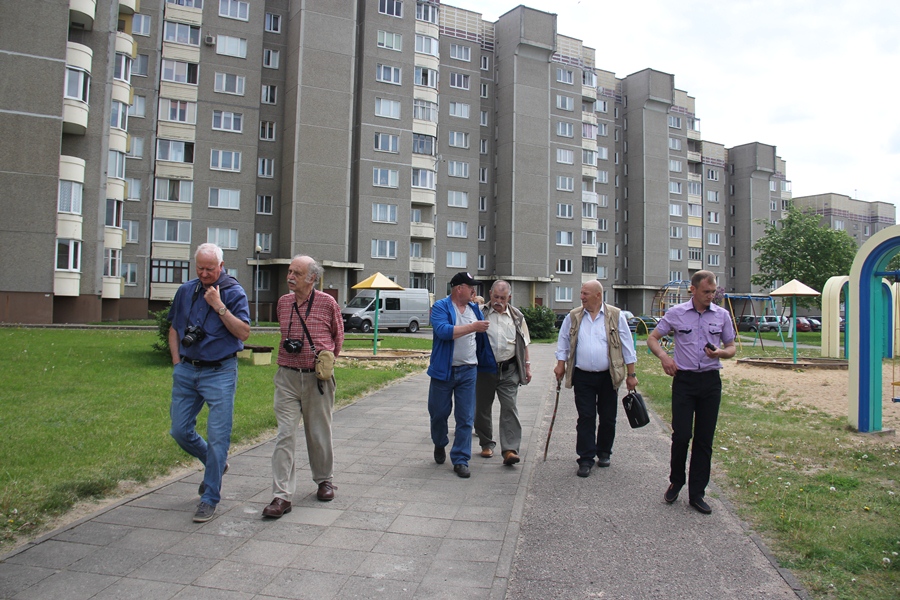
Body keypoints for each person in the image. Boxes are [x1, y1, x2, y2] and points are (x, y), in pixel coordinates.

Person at [168, 243, 251, 523]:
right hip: (187, 371)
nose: (204, 274)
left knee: (218, 437)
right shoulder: (185, 291)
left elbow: (244, 332)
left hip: (220, 371)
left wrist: (218, 306)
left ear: (222, 266)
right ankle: (215, 465)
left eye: (210, 269)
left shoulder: (233, 292)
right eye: (200, 268)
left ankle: (209, 497)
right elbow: (174, 328)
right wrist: (177, 362)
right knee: (179, 430)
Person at [647, 270, 735, 514]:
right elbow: (653, 338)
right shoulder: (676, 314)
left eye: (713, 292)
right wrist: (664, 357)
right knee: (682, 435)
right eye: (706, 292)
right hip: (684, 381)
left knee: (704, 440)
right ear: (693, 290)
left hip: (710, 381)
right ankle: (676, 481)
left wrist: (720, 353)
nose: (711, 296)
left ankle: (697, 493)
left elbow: (732, 347)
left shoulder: (722, 315)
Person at [262, 256, 344, 518]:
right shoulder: (283, 303)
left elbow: (337, 337)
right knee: (284, 435)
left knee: (318, 433)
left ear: (312, 278)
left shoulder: (327, 303)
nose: (290, 276)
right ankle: (281, 496)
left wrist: (324, 363)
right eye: (289, 271)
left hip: (316, 379)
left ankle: (324, 480)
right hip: (286, 376)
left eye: (296, 273)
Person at [553, 280, 637, 478]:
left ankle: (604, 451)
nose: (581, 297)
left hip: (609, 376)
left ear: (598, 295)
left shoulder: (615, 316)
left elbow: (627, 346)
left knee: (608, 417)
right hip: (583, 376)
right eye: (581, 293)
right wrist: (560, 363)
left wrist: (631, 375)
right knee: (586, 416)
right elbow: (563, 340)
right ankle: (585, 458)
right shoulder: (574, 316)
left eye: (585, 294)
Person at [428, 272, 494, 478]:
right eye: (470, 286)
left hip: (469, 370)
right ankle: (440, 443)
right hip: (444, 370)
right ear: (459, 288)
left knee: (465, 417)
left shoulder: (475, 309)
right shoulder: (441, 306)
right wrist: (473, 327)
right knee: (438, 414)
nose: (474, 291)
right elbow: (443, 331)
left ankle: (461, 459)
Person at [474, 280, 532, 465]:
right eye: (496, 297)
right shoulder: (479, 313)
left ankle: (510, 449)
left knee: (509, 407)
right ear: (490, 293)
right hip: (485, 370)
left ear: (509, 297)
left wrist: (527, 366)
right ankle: (486, 443)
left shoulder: (517, 316)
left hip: (509, 369)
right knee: (482, 408)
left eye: (503, 298)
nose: (499, 301)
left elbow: (524, 343)